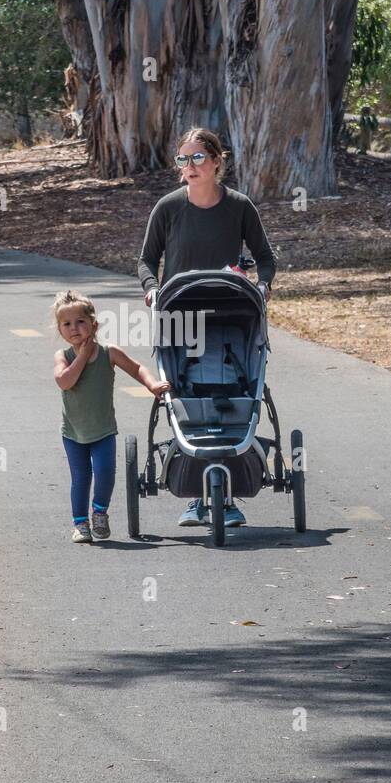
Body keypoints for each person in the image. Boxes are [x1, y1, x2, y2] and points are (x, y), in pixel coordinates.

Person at [137, 127, 276, 528]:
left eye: (198, 158)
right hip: (181, 313)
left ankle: (226, 497)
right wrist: (152, 289)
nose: (190, 166)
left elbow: (265, 258)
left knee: (234, 391)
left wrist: (262, 286)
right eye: (183, 159)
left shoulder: (239, 206)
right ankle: (200, 498)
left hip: (232, 314)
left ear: (218, 162)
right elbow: (146, 260)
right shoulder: (167, 208)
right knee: (185, 394)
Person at [53, 289, 169, 543]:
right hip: (73, 432)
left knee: (106, 472)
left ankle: (100, 512)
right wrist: (82, 356)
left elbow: (137, 368)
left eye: (81, 322)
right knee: (81, 478)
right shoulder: (63, 356)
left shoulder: (109, 352)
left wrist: (152, 385)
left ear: (94, 325)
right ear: (60, 330)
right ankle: (80, 524)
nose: (74, 328)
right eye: (67, 324)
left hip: (103, 430)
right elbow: (65, 381)